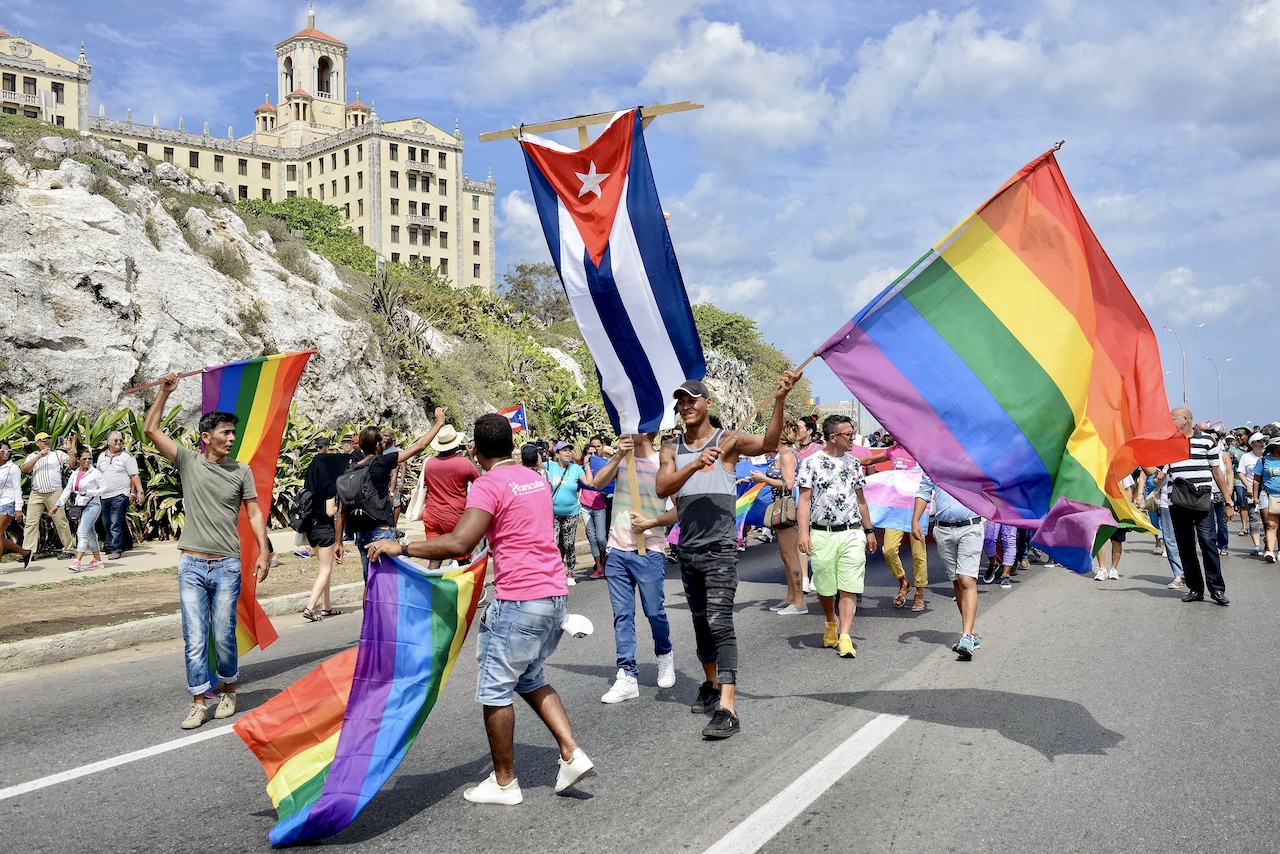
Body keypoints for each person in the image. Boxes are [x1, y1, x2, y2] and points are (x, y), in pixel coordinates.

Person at [367, 414, 593, 805]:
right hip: (554, 594)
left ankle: (504, 783)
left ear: (475, 449)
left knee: (495, 689)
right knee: (531, 677)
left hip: (519, 600)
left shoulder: (489, 485)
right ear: (511, 443)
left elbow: (459, 543)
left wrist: (401, 548)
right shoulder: (534, 479)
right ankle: (571, 752)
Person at [657, 371, 800, 740]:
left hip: (720, 548)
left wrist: (781, 397)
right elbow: (662, 488)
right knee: (701, 621)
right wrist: (695, 463)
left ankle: (728, 708)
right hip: (687, 548)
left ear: (707, 404)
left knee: (720, 622)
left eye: (693, 399)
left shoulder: (730, 442)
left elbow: (770, 442)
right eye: (681, 402)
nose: (686, 406)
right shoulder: (672, 448)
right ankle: (709, 684)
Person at [144, 373, 271, 730]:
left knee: (223, 634)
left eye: (233, 433)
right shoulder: (188, 461)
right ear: (206, 438)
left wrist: (264, 550)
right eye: (225, 433)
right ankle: (200, 700)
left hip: (227, 565)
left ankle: (229, 689)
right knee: (195, 636)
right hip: (191, 564)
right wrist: (163, 393)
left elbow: (255, 511)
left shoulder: (241, 471)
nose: (232, 438)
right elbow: (151, 430)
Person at [588, 433, 677, 703]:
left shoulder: (664, 463)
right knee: (622, 615)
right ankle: (627, 674)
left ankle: (664, 655)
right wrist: (617, 455)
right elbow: (596, 483)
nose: (625, 429)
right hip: (617, 551)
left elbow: (679, 511)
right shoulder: (622, 460)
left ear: (648, 431)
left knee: (654, 611)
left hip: (649, 551)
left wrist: (650, 523)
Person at [796, 415, 877, 660]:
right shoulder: (811, 463)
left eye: (853, 432)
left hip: (852, 532)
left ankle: (845, 636)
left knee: (849, 585)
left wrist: (869, 530)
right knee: (826, 586)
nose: (853, 437)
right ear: (833, 437)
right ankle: (831, 620)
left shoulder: (854, 463)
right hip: (822, 533)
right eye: (848, 434)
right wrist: (802, 533)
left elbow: (861, 500)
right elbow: (804, 501)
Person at [336, 411, 448, 580]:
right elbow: (419, 446)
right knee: (388, 584)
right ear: (377, 446)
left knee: (371, 583)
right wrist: (439, 424)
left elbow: (342, 511)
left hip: (362, 534)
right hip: (381, 532)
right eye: (382, 441)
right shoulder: (381, 462)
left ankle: (370, 608)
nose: (384, 443)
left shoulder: (351, 469)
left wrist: (339, 542)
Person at [1157, 407, 1234, 606]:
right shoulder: (1169, 443)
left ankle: (1216, 589)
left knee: (1208, 543)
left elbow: (1218, 473)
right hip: (1178, 502)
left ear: (1185, 419)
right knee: (1185, 546)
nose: (1169, 422)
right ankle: (1195, 589)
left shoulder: (1207, 441)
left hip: (1202, 501)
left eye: (1172, 419)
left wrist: (1228, 502)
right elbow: (1158, 469)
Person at [912, 472, 984, 659]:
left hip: (970, 527)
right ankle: (971, 631)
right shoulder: (933, 465)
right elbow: (923, 492)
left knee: (966, 579)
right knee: (956, 581)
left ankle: (966, 636)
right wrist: (915, 520)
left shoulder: (973, 460)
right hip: (943, 529)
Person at [757, 423, 805, 615]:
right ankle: (791, 597)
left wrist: (764, 479)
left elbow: (789, 484)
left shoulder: (786, 456)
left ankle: (799, 601)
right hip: (783, 509)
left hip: (788, 510)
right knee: (786, 555)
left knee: (790, 555)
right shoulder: (788, 454)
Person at [300, 437, 349, 622]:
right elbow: (330, 511)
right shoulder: (329, 484)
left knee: (323, 568)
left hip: (311, 529)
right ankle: (310, 606)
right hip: (325, 529)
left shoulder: (309, 481)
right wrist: (339, 506)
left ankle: (326, 607)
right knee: (326, 569)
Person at [421, 424, 481, 568]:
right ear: (456, 445)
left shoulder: (427, 463)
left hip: (431, 515)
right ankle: (465, 589)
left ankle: (431, 589)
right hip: (455, 516)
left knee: (435, 558)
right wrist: (472, 456)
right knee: (463, 557)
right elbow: (480, 481)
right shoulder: (464, 464)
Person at [545, 441, 595, 583]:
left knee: (568, 543)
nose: (568, 453)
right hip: (553, 513)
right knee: (554, 543)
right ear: (557, 454)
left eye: (569, 450)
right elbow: (533, 468)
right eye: (564, 450)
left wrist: (586, 466)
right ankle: (556, 571)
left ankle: (570, 573)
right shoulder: (549, 466)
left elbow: (589, 483)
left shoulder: (575, 469)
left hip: (571, 513)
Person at [19, 431, 74, 558]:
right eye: (43, 440)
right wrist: (38, 456)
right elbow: (24, 469)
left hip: (54, 492)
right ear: (37, 443)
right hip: (37, 493)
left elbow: (71, 464)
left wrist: (70, 450)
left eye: (48, 439)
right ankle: (28, 552)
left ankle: (69, 549)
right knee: (31, 523)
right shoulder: (32, 456)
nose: (47, 442)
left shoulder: (57, 454)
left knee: (60, 521)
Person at [54, 448, 106, 572]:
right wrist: (58, 505)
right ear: (78, 460)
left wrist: (89, 492)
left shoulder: (95, 473)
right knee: (90, 534)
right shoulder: (75, 473)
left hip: (93, 504)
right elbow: (68, 490)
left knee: (81, 533)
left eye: (89, 459)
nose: (87, 461)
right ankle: (98, 561)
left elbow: (104, 488)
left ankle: (77, 561)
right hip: (80, 506)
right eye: (84, 459)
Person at [95, 431, 144, 560]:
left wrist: (137, 492)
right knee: (107, 523)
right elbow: (97, 475)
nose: (119, 443)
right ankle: (117, 544)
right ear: (108, 442)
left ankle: (116, 548)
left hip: (120, 494)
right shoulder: (101, 457)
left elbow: (133, 475)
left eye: (120, 440)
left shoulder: (127, 456)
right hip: (105, 495)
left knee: (115, 523)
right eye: (115, 440)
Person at [578, 438, 611, 580]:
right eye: (588, 453)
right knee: (592, 538)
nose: (591, 455)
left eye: (594, 452)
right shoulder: (580, 470)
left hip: (600, 507)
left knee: (602, 539)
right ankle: (598, 567)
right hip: (585, 507)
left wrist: (606, 491)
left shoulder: (603, 468)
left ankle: (605, 562)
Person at [0, 442, 35, 569]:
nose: (6, 453)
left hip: (7, 503)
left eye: (8, 451)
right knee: (0, 536)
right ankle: (25, 553)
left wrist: (18, 509)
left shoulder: (13, 468)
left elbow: (17, 488)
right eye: (2, 451)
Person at [1253, 437, 1280, 562]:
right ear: (1274, 447)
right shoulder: (1263, 461)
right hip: (1267, 494)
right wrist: (1255, 496)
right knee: (1270, 524)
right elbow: (1256, 479)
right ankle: (1270, 551)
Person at [1239, 433, 1266, 556]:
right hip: (1250, 491)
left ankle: (1268, 543)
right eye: (1259, 441)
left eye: (1263, 441)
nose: (1262, 443)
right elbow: (1240, 473)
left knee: (1269, 518)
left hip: (1266, 490)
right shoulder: (1246, 457)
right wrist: (1248, 486)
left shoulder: (1268, 456)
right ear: (1252, 443)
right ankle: (1256, 545)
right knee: (1254, 517)